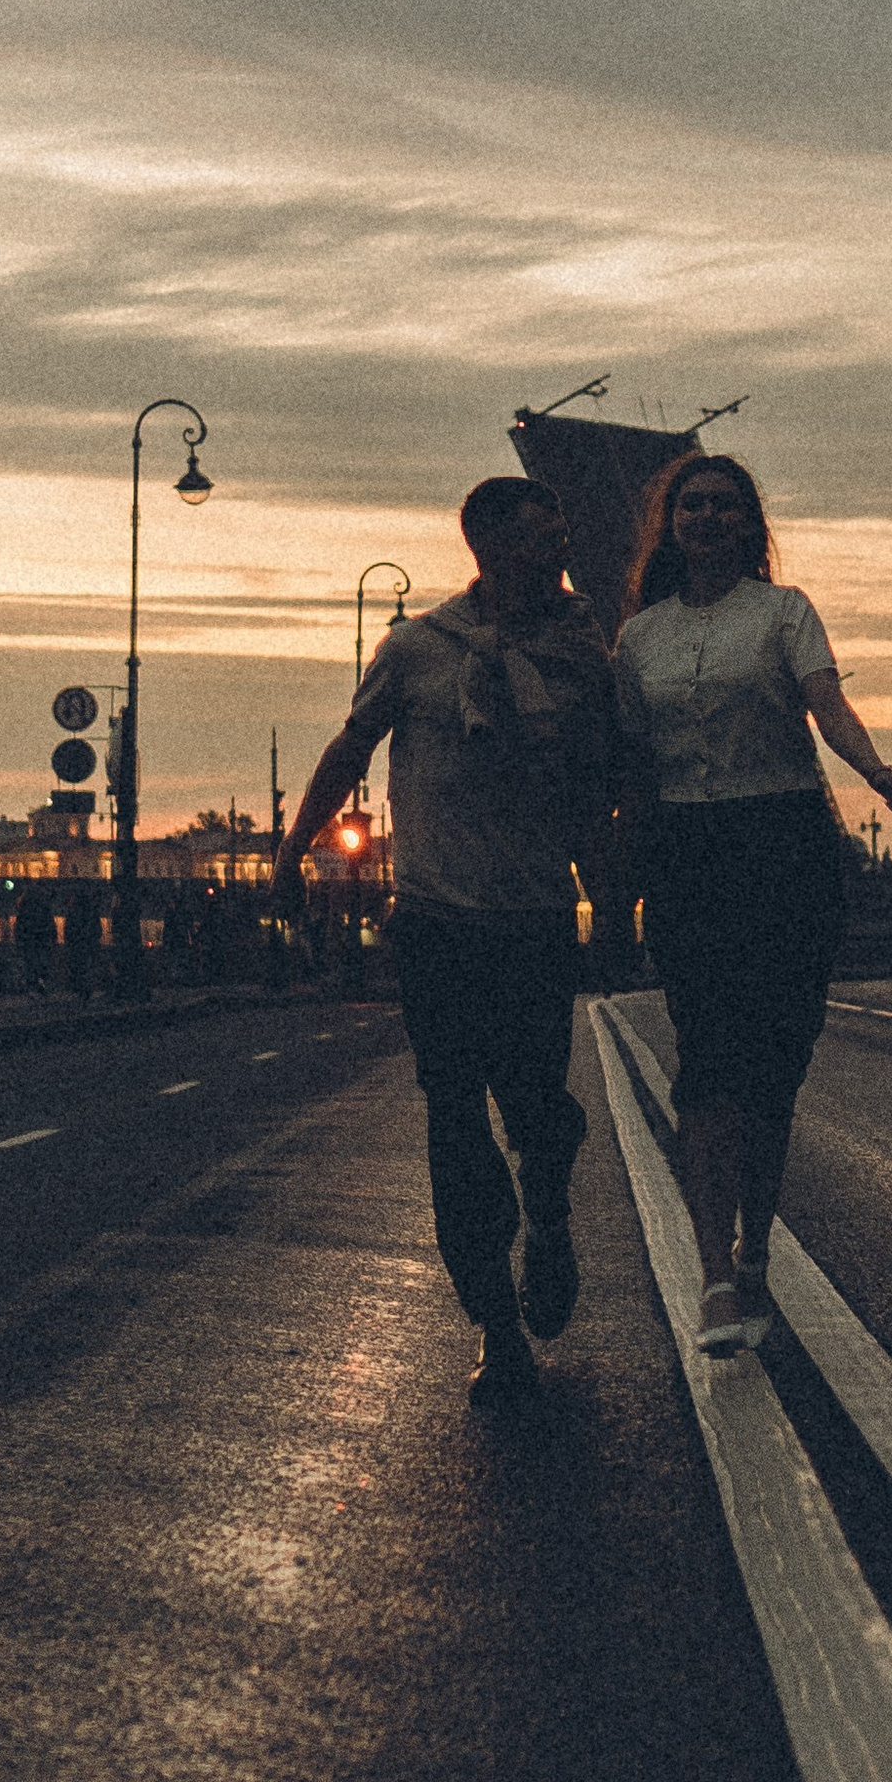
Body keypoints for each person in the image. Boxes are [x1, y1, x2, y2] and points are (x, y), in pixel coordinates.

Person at [279, 478, 618, 1406]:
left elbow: (598, 786)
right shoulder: (416, 649)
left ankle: (547, 1217)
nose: (558, 547)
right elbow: (351, 748)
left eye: (560, 531)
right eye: (542, 532)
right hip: (435, 921)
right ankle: (496, 1324)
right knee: (455, 1117)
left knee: (537, 1109)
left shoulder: (584, 651)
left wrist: (619, 900)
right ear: (488, 543)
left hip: (538, 919)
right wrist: (293, 844)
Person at [614, 453, 892, 1356]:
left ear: (752, 527)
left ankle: (756, 1247)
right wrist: (614, 868)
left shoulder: (785, 615)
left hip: (783, 848)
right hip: (688, 853)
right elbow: (632, 763)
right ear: (669, 526)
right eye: (691, 506)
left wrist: (879, 774)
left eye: (725, 506)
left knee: (774, 1068)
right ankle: (717, 1277)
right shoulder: (640, 640)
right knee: (706, 1059)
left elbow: (827, 707)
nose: (707, 518)